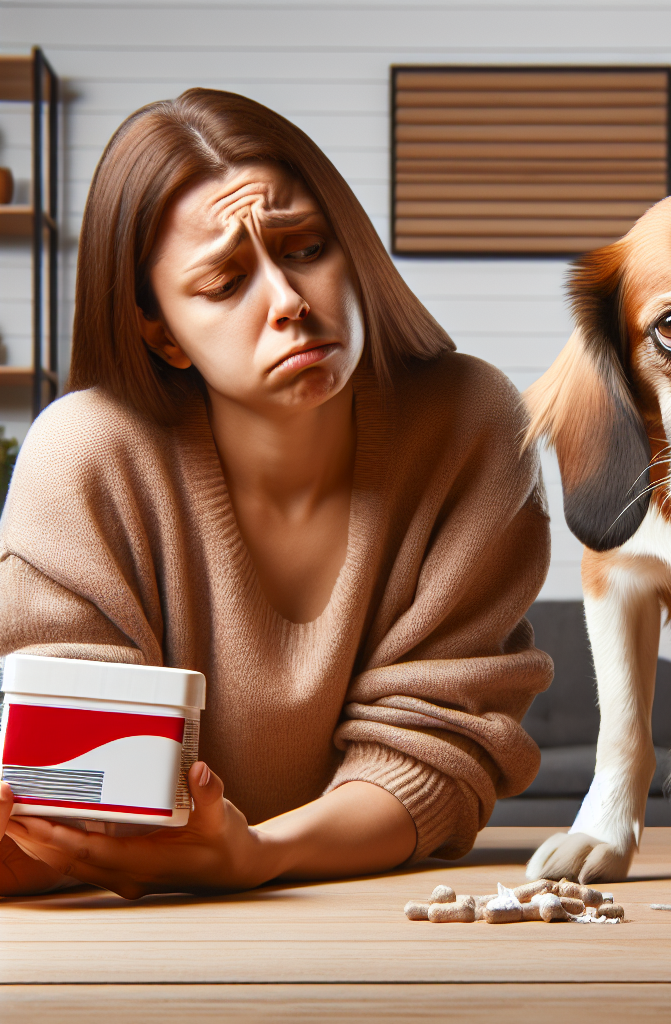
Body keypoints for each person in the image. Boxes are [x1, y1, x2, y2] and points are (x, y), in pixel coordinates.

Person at [0, 89, 551, 899]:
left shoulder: (472, 422)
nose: (290, 302)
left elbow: (436, 752)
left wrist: (256, 854)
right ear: (160, 331)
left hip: (365, 907)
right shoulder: (83, 452)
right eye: (225, 284)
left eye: (306, 246)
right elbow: (80, 791)